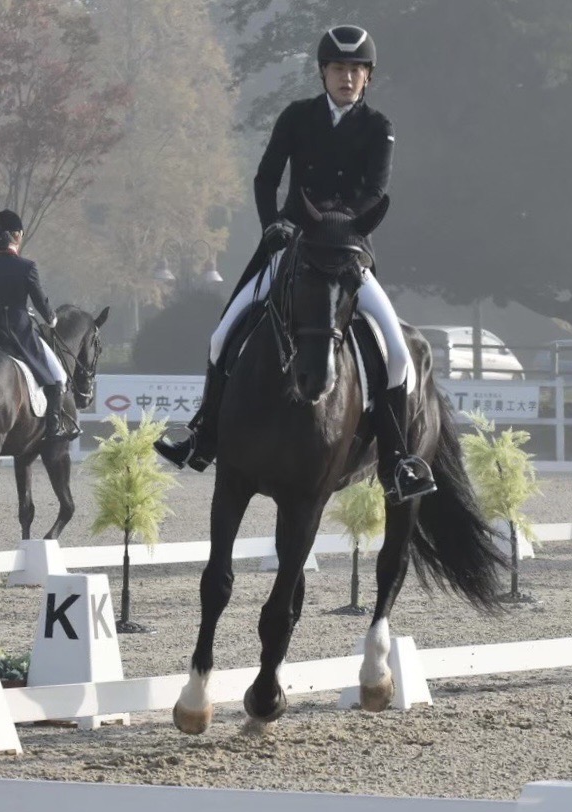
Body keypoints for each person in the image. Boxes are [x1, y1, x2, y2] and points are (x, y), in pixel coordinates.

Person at [154, 25, 436, 505]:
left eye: (356, 70)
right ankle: (203, 435)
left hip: (346, 251)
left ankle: (396, 462)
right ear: (323, 72)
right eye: (338, 68)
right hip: (291, 241)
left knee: (396, 352)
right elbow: (267, 179)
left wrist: (343, 227)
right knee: (223, 335)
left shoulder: (378, 126)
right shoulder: (296, 116)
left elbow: (375, 192)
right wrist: (273, 227)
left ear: (367, 77)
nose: (347, 77)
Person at [0, 209, 78, 440]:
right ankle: (54, 429)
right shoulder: (27, 267)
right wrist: (51, 319)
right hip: (18, 330)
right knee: (57, 377)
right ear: (18, 235)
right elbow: (40, 300)